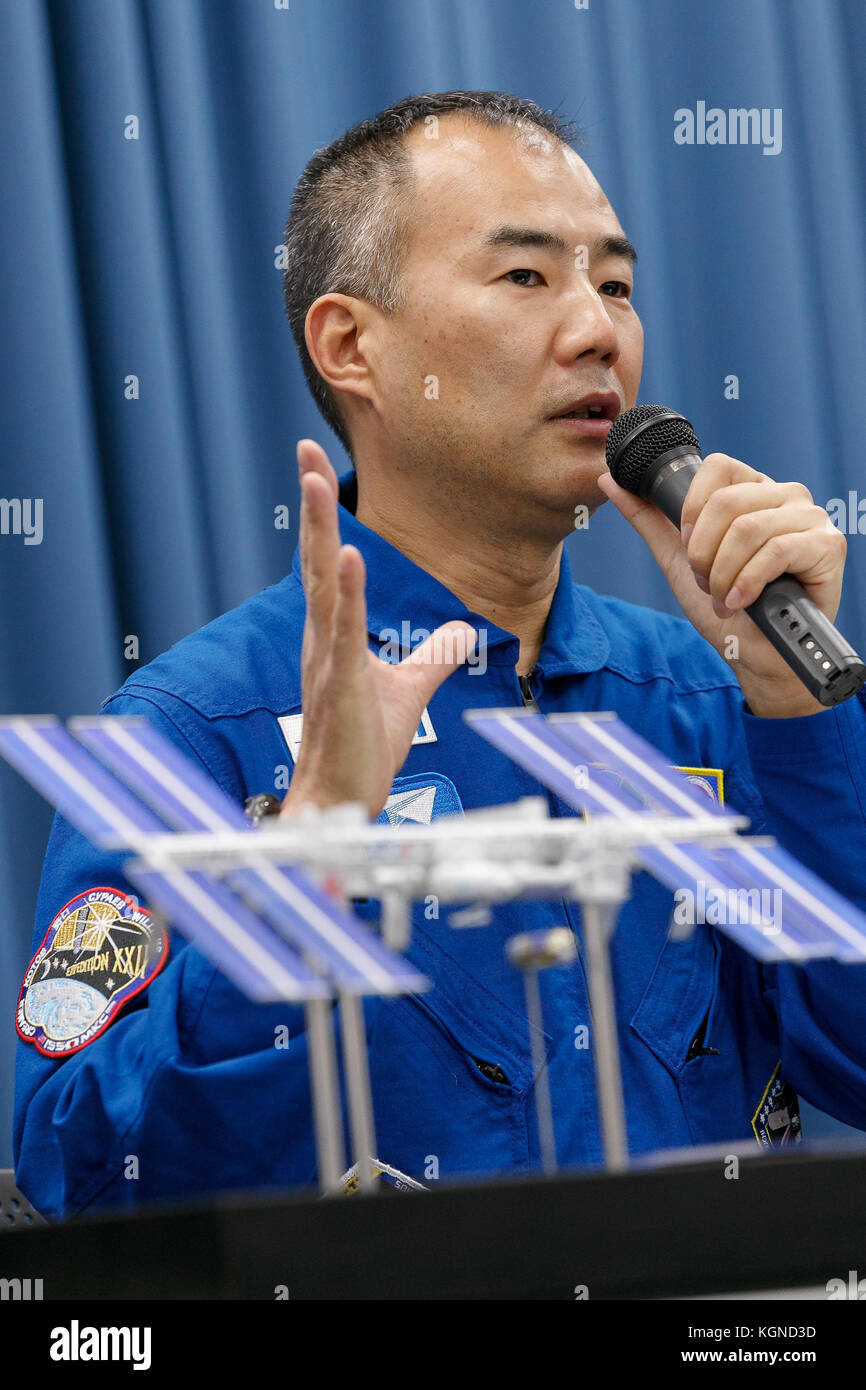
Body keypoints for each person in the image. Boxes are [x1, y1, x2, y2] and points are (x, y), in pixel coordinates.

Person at [14, 91, 866, 1222]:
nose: (597, 330)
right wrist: (297, 885)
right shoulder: (189, 731)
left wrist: (799, 723)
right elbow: (83, 1176)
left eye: (613, 283)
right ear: (350, 345)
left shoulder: (714, 695)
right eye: (525, 278)